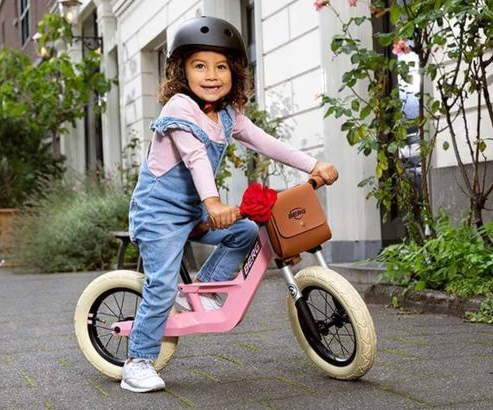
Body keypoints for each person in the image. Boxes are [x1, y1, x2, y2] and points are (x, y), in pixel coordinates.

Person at [122, 16, 339, 393]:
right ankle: (137, 361)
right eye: (200, 66)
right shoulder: (178, 109)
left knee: (245, 231)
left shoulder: (226, 115)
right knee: (161, 285)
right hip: (158, 215)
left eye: (221, 66)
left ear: (234, 73)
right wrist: (213, 202)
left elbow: (265, 142)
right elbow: (195, 158)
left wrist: (313, 164)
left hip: (192, 211)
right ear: (181, 71)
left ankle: (204, 292)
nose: (211, 75)